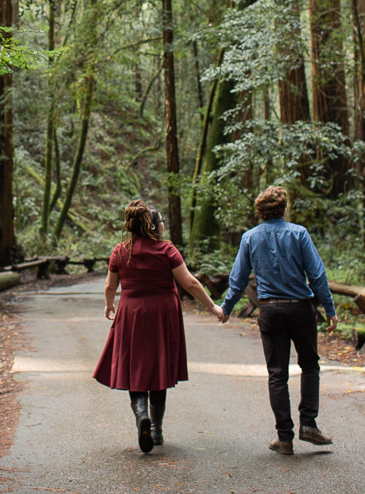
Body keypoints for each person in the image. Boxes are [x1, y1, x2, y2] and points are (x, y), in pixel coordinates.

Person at [93, 201, 225, 453]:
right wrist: (212, 307)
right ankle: (156, 429)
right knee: (159, 366)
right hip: (162, 314)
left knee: (136, 367)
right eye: (162, 220)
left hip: (131, 313)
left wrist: (109, 305)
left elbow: (111, 286)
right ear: (154, 226)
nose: (164, 224)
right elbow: (190, 283)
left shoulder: (120, 251)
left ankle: (141, 414)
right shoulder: (167, 250)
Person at [220, 186, 338, 455]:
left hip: (270, 311)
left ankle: (285, 438)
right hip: (301, 310)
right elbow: (317, 275)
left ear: (259, 211)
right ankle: (308, 424)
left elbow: (238, 280)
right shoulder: (299, 233)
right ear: (284, 209)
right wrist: (330, 309)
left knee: (277, 374)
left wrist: (226, 307)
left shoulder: (249, 238)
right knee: (309, 365)